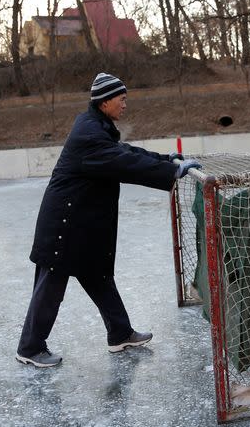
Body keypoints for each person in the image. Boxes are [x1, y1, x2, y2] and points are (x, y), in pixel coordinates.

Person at [16, 73, 202, 367]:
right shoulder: (90, 135)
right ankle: (29, 348)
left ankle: (120, 333)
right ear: (105, 101)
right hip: (64, 225)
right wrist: (171, 174)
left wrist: (167, 160)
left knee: (99, 277)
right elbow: (125, 164)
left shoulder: (96, 126)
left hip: (80, 225)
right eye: (122, 99)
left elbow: (125, 152)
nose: (125, 105)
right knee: (50, 289)